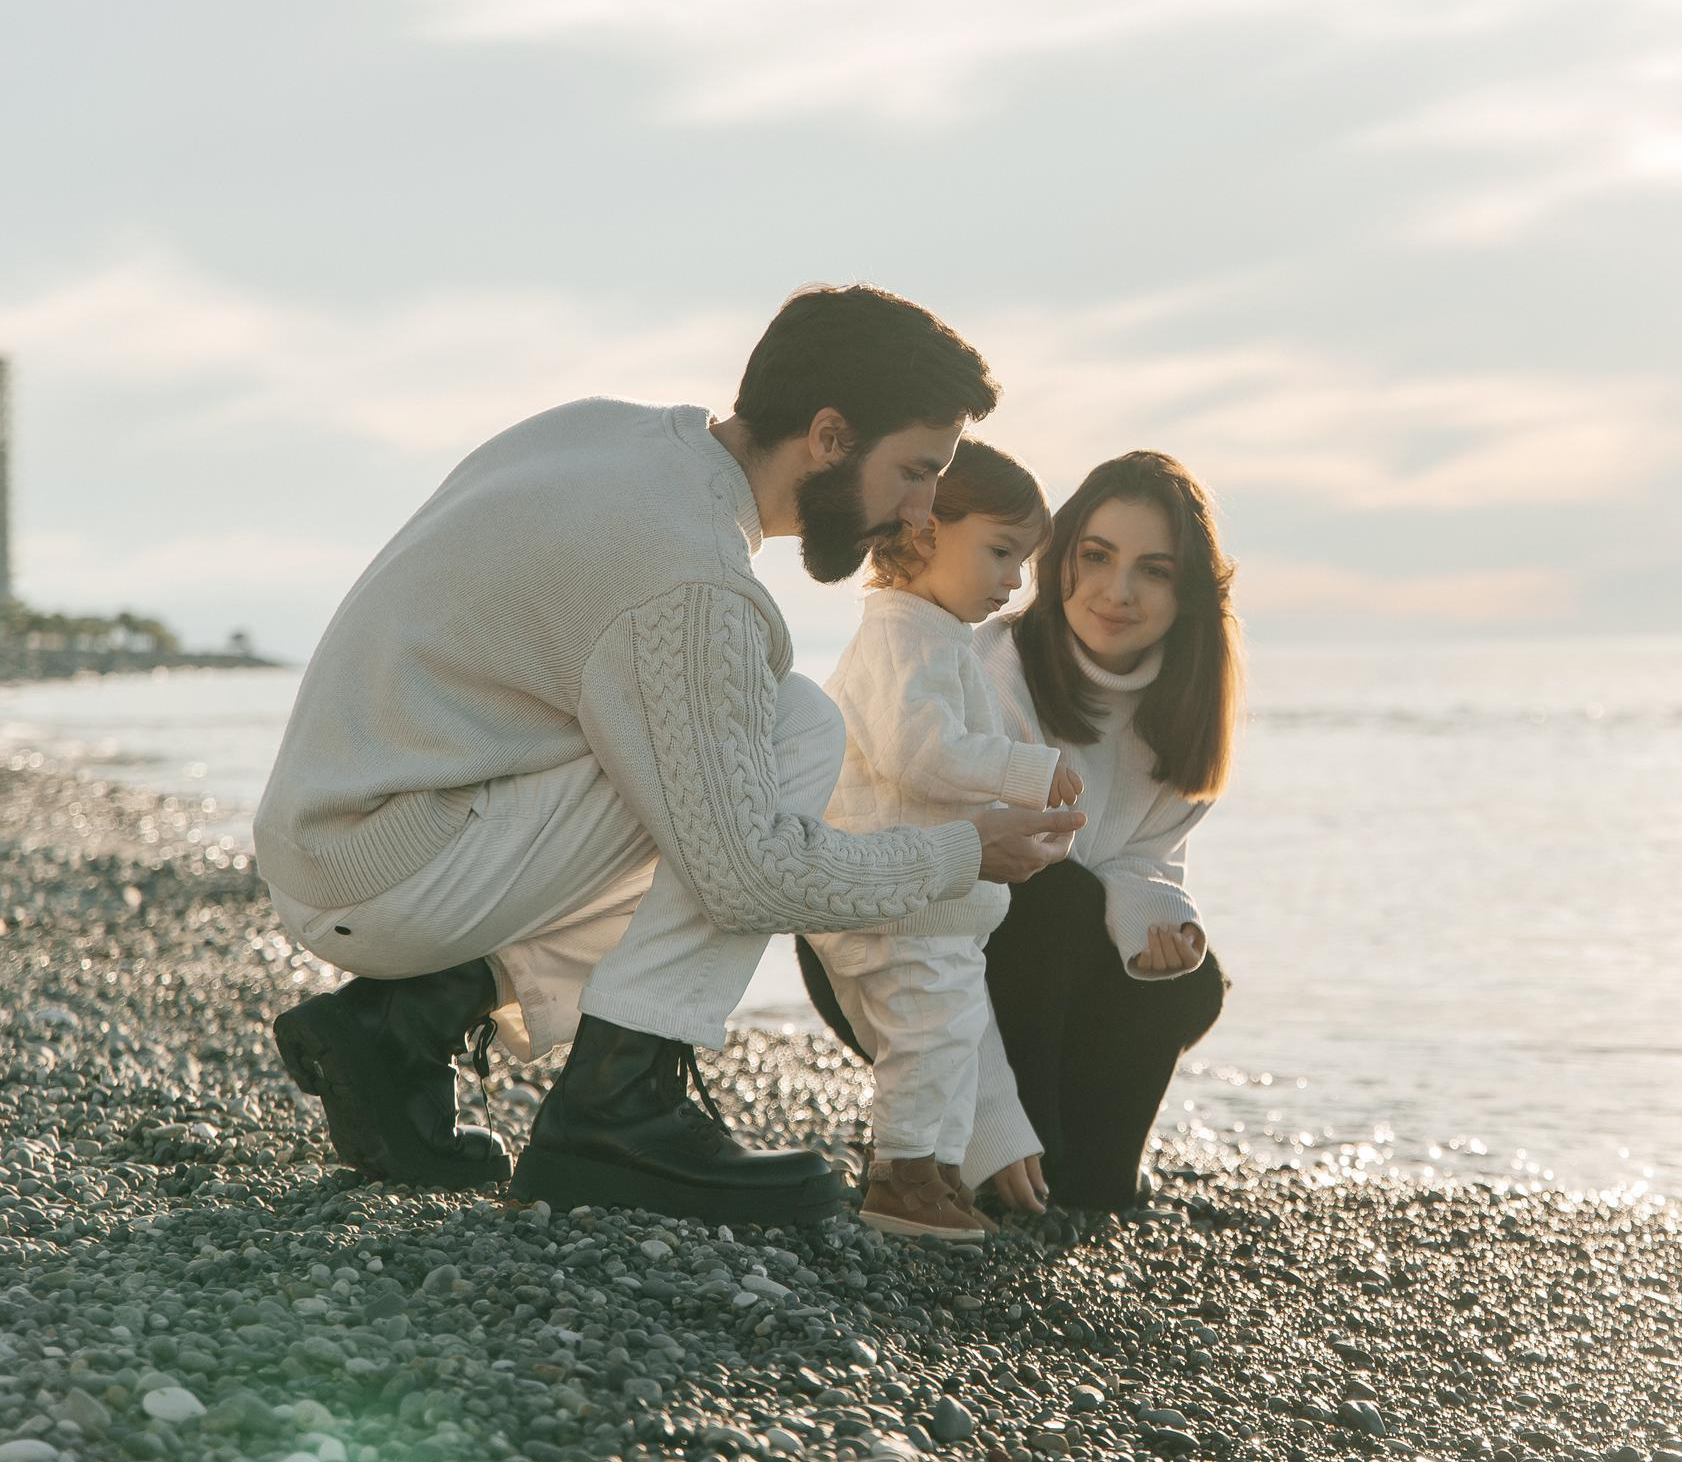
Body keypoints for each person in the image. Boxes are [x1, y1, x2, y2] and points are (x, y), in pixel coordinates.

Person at [254, 284, 1084, 1227]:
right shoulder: (688, 578)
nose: (921, 512)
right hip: (387, 868)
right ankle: (618, 1113)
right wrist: (965, 851)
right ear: (828, 437)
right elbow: (749, 878)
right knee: (789, 734)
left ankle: (403, 1026)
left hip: (342, 830)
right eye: (916, 471)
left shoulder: (605, 432)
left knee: (758, 732)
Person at [801, 449, 1241, 1214]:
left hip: (1042, 963)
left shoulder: (1183, 712)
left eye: (1155, 570)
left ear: (1189, 593)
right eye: (1095, 557)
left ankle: (1075, 1175)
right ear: (1058, 558)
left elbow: (1141, 859)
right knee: (1051, 892)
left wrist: (1158, 929)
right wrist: (993, 1121)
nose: (1118, 592)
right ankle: (966, 1146)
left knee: (1186, 986)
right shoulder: (978, 676)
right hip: (899, 939)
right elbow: (945, 922)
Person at [803, 440, 1080, 1242]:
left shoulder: (933, 636)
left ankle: (940, 1177)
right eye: (1000, 552)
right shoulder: (905, 637)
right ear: (924, 534)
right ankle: (903, 1176)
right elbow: (918, 754)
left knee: (951, 1040)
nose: (1015, 582)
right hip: (900, 906)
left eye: (1022, 561)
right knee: (927, 1041)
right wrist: (1028, 770)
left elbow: (941, 767)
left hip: (932, 905)